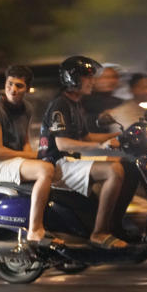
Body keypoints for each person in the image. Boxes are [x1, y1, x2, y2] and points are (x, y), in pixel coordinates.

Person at [38, 56, 127, 249]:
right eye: (88, 77)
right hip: (57, 164)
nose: (93, 82)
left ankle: (110, 227)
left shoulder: (76, 103)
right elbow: (62, 143)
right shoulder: (60, 104)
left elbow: (85, 137)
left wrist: (122, 134)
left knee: (123, 165)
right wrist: (102, 147)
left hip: (70, 161)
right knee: (114, 170)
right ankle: (99, 233)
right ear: (73, 79)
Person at [0, 65, 56, 244]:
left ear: (27, 89)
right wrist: (36, 158)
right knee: (44, 171)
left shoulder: (26, 108)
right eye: (10, 84)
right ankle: (35, 230)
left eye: (19, 86)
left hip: (13, 161)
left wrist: (39, 156)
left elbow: (25, 141)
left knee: (57, 170)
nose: (13, 89)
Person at [81, 65, 123, 131]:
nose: (110, 81)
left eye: (114, 77)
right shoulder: (82, 101)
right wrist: (98, 117)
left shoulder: (120, 102)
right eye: (105, 77)